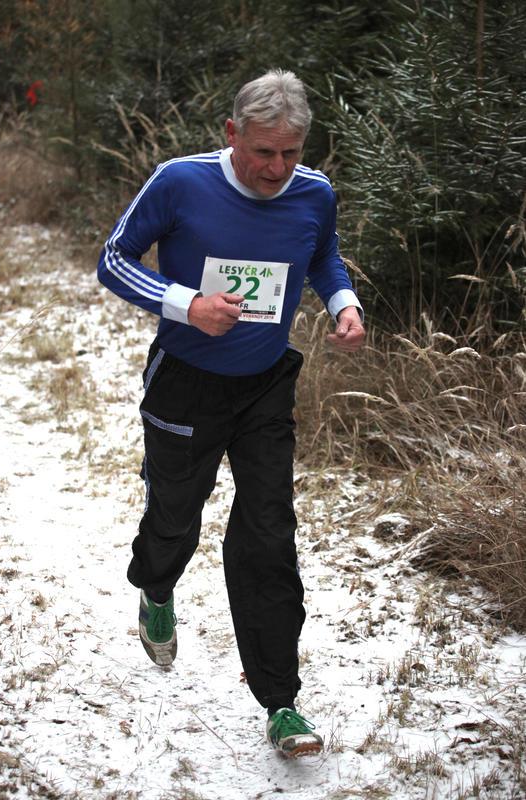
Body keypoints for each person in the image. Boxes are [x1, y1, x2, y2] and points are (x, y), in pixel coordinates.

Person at [97, 69, 365, 758]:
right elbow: (113, 260)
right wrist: (187, 304)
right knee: (175, 513)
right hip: (185, 381)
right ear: (232, 133)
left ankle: (281, 702)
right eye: (263, 151)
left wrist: (344, 303)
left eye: (291, 153)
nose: (277, 168)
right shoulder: (181, 181)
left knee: (270, 533)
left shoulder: (314, 192)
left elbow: (323, 256)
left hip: (264, 386)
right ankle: (156, 586)